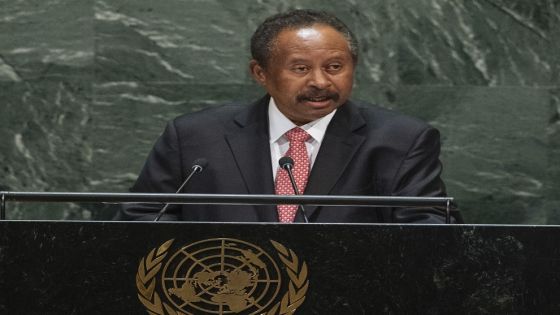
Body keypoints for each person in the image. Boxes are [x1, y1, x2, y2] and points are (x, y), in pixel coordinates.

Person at [117, 9, 462, 223]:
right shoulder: (195, 137)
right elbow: (142, 219)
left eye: (335, 67)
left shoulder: (401, 140)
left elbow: (427, 230)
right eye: (300, 68)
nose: (320, 81)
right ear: (260, 73)